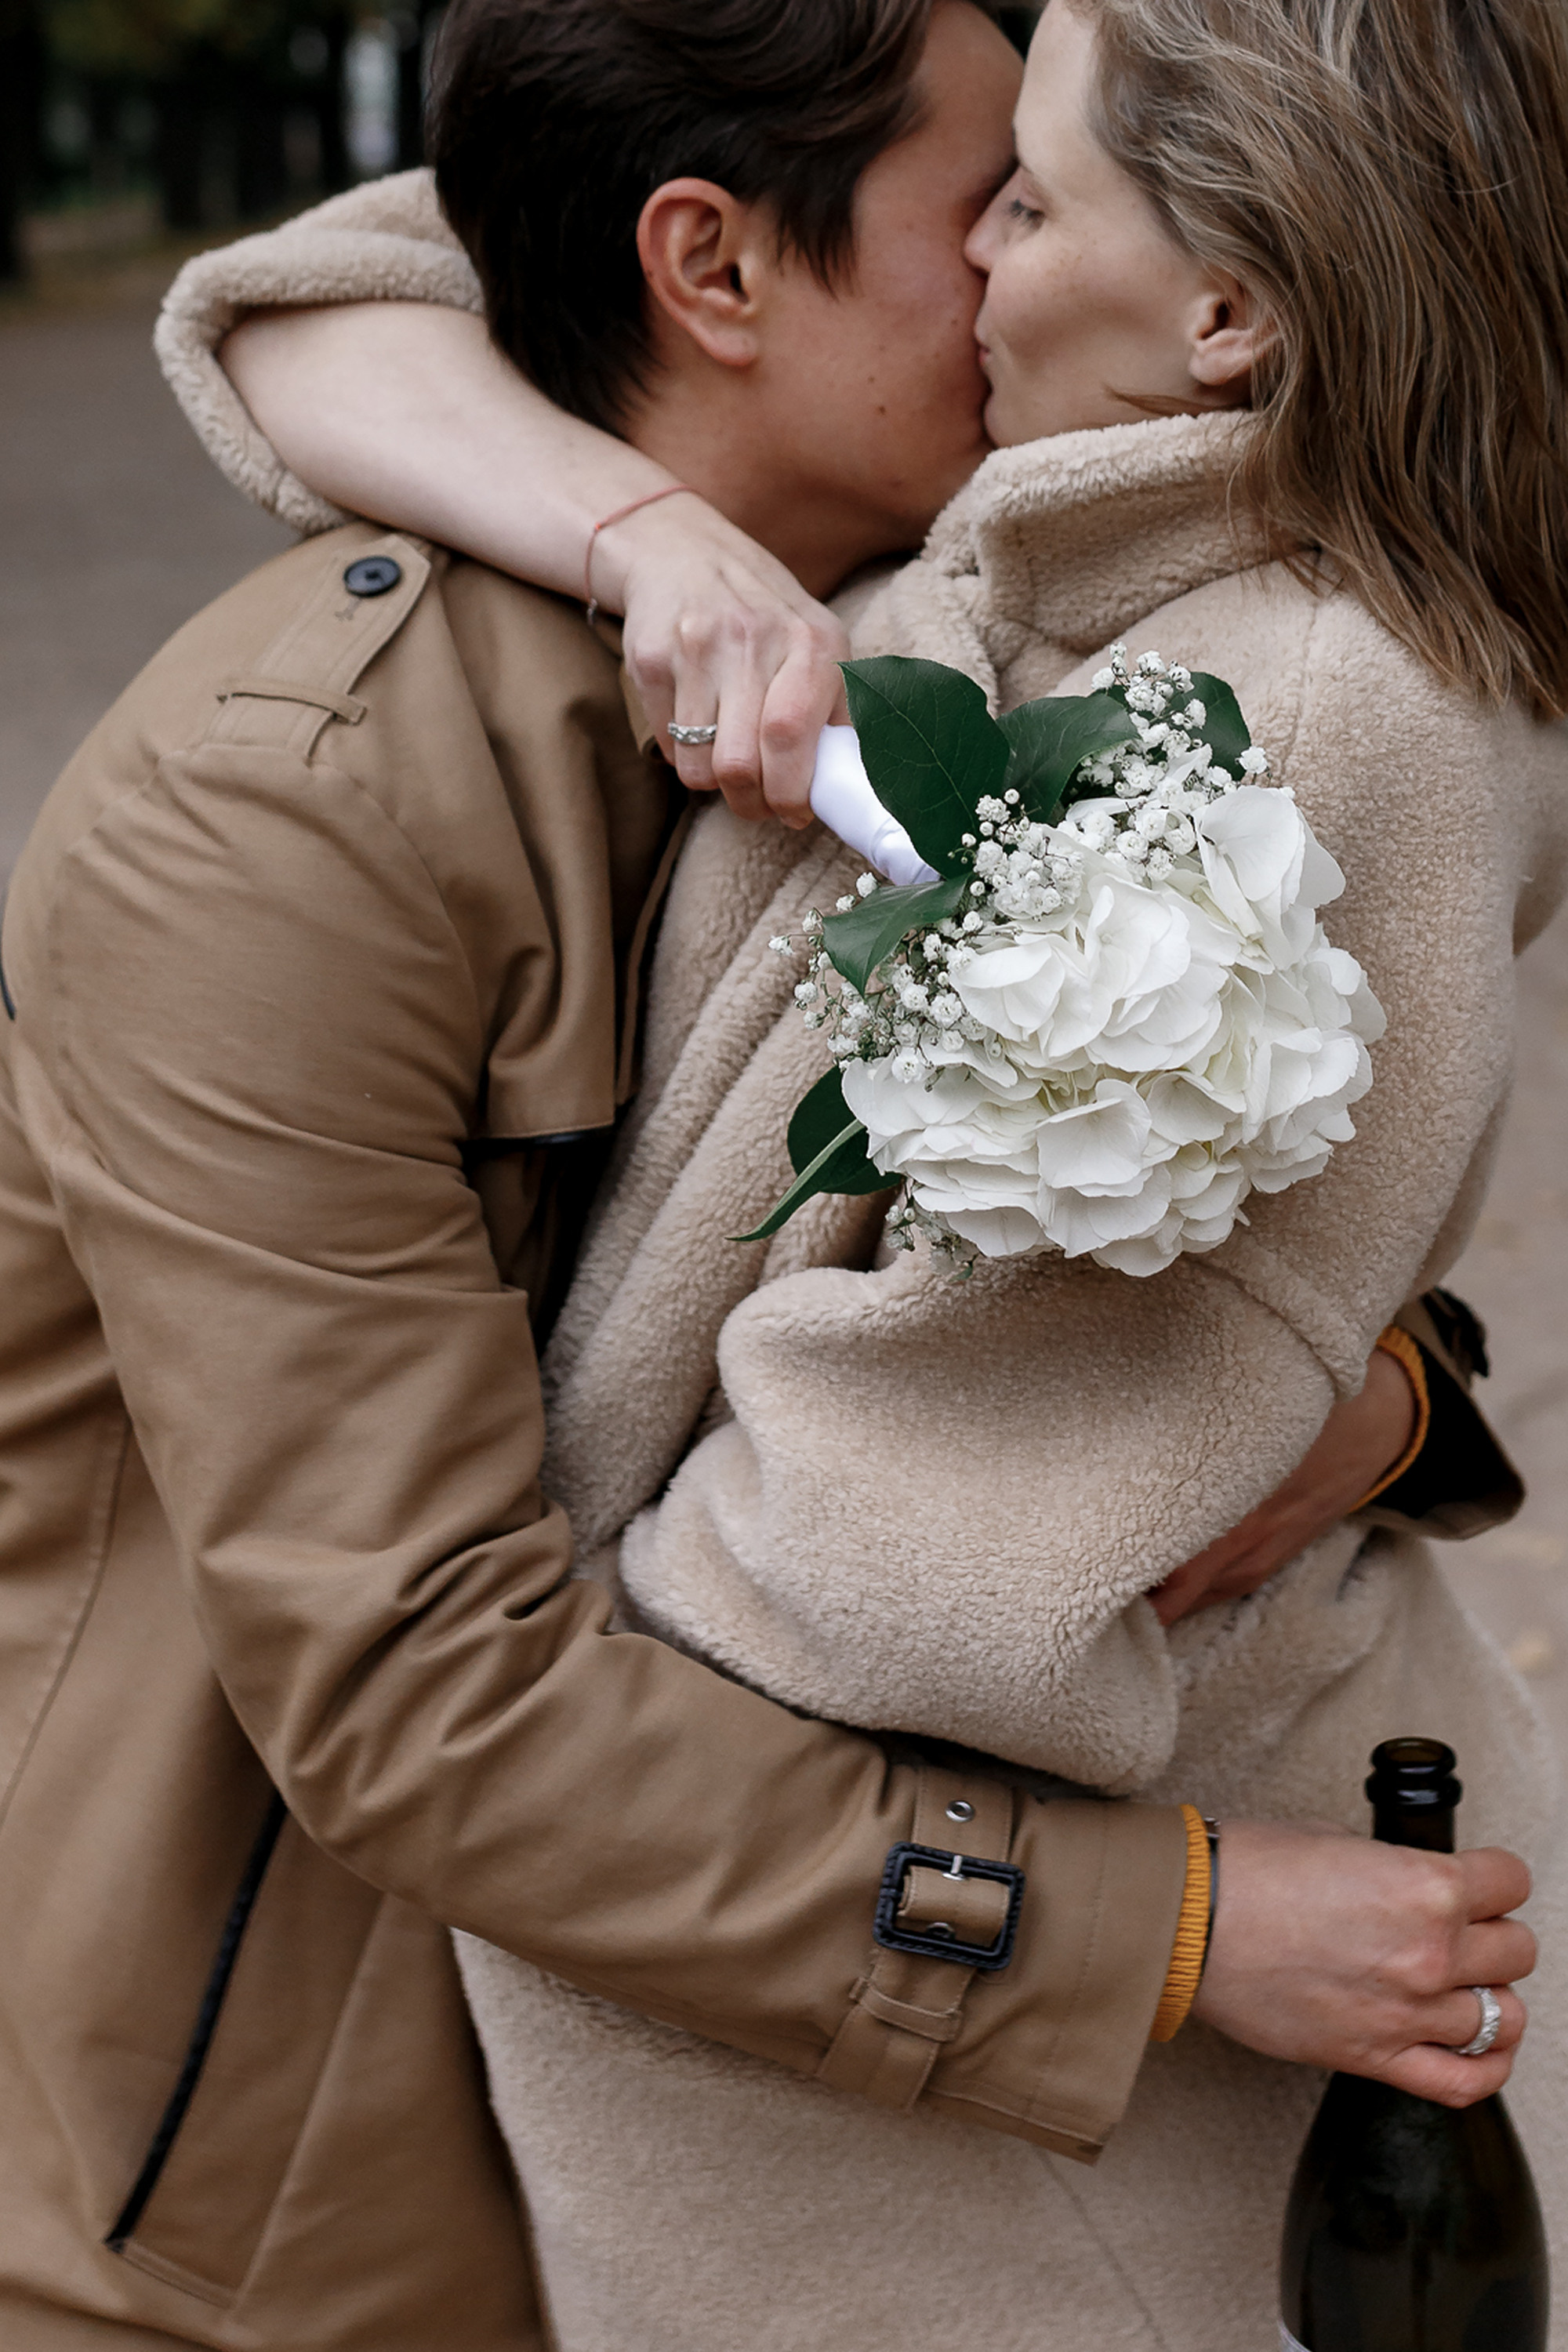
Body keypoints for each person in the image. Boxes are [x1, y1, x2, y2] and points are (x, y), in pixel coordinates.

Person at [0, 7, 1534, 2352]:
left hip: (767, 2108)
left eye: (1049, 198)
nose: (1021, 273)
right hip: (309, 2172)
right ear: (712, 268)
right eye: (978, 209)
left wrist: (1381, 1388)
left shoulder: (1003, 598)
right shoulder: (295, 817)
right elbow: (428, 1694)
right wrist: (1188, 1928)